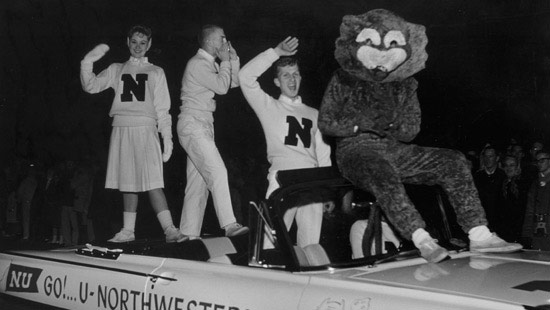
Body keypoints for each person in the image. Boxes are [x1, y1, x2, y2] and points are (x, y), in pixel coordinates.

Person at [80, 25, 187, 243]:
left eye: (143, 42)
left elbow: (162, 109)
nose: (138, 47)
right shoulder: (116, 68)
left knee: (152, 180)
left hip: (146, 129)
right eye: (134, 42)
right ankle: (128, 231)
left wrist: (167, 137)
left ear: (149, 44)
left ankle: (169, 229)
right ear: (127, 41)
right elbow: (90, 86)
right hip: (121, 128)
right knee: (128, 181)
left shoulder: (156, 72)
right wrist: (87, 62)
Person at [238, 37, 332, 247]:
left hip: (311, 183)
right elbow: (244, 76)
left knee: (311, 250)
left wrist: (325, 190)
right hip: (283, 181)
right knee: (268, 246)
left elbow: (323, 153)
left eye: (296, 74)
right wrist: (276, 53)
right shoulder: (268, 106)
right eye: (286, 75)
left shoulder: (314, 113)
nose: (292, 80)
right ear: (277, 82)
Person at [177, 24, 248, 238]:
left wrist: (232, 60)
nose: (225, 43)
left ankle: (188, 235)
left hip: (202, 124)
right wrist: (226, 61)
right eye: (222, 39)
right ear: (209, 41)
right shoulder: (198, 63)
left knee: (197, 186)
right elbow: (222, 87)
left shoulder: (209, 63)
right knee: (217, 171)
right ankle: (229, 224)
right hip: (193, 124)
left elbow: (233, 82)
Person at [522, 149, 550, 250]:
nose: (539, 163)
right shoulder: (534, 184)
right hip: (538, 230)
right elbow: (529, 210)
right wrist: (527, 233)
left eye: (542, 160)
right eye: (537, 161)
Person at [473, 144, 506, 229]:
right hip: (482, 222)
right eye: (485, 156)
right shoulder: (477, 177)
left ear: (497, 158)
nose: (487, 159)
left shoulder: (503, 176)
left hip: (500, 222)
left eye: (491, 156)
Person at [496, 155, 527, 242]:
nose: (508, 168)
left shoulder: (523, 183)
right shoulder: (502, 184)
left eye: (512, 165)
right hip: (504, 230)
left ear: (517, 166)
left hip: (518, 230)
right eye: (506, 165)